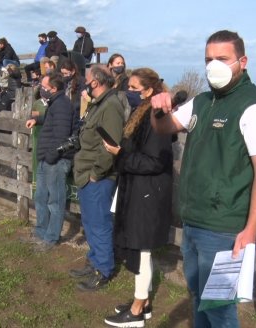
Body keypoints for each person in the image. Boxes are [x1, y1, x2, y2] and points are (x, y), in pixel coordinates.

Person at [150, 30, 256, 327]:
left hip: (224, 228)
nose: (213, 66)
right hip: (194, 221)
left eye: (222, 59)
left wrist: (250, 232)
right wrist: (157, 109)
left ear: (242, 61)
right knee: (197, 295)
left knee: (220, 309)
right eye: (208, 59)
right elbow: (165, 127)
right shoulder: (202, 101)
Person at [102, 68, 173, 328]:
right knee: (141, 249)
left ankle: (135, 312)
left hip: (148, 192)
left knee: (141, 249)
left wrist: (120, 154)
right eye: (128, 87)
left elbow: (155, 162)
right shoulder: (142, 113)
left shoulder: (156, 118)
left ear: (149, 91)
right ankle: (144, 304)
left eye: (133, 88)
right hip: (138, 188)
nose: (128, 92)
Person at [69, 65, 125, 291]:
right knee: (90, 223)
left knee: (99, 224)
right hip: (87, 174)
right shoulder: (99, 104)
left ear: (96, 82)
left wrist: (95, 174)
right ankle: (94, 262)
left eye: (88, 79)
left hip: (98, 177)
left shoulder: (111, 106)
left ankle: (103, 270)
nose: (85, 82)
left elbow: (109, 145)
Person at [25, 72, 75, 252]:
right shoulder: (56, 104)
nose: (42, 90)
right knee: (40, 197)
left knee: (54, 200)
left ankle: (51, 237)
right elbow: (52, 121)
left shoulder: (62, 105)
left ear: (54, 88)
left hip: (54, 160)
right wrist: (37, 120)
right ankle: (41, 231)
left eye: (44, 87)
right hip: (47, 158)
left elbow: (61, 136)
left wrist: (51, 157)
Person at [60, 58, 85, 132]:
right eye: (62, 73)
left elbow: (80, 100)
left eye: (66, 73)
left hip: (76, 114)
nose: (64, 76)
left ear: (73, 71)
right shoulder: (63, 82)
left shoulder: (81, 81)